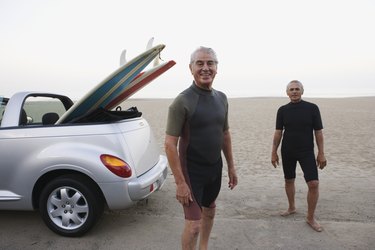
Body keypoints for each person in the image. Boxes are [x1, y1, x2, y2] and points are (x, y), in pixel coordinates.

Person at [165, 46, 238, 249]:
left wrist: (231, 166)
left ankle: (203, 247)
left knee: (210, 211)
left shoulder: (222, 98)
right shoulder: (182, 101)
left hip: (215, 168)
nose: (205, 68)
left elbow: (224, 135)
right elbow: (170, 144)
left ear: (216, 68)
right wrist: (180, 182)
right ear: (191, 68)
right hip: (192, 171)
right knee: (194, 225)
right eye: (200, 63)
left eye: (210, 63)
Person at [271, 80, 327, 232]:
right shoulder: (282, 110)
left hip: (306, 151)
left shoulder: (312, 108)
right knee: (289, 180)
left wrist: (321, 153)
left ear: (302, 91)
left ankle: (310, 217)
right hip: (287, 151)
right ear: (287, 92)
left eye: (297, 89)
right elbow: (278, 132)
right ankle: (291, 207)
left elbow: (318, 132)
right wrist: (273, 151)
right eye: (291, 89)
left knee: (314, 183)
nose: (294, 91)